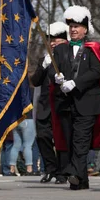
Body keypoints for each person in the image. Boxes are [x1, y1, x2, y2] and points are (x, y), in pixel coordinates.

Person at [50, 5, 100, 190]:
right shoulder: (60, 50)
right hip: (66, 104)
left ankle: (72, 172)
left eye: (77, 26)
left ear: (85, 29)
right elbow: (52, 70)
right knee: (70, 140)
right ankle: (80, 180)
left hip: (87, 103)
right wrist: (56, 78)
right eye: (71, 26)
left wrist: (76, 83)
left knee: (80, 140)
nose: (73, 29)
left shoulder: (94, 49)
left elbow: (97, 72)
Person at [30, 21, 69, 184]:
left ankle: (62, 171)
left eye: (57, 39)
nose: (53, 42)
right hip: (45, 106)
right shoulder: (43, 60)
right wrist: (43, 66)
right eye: (50, 39)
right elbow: (35, 81)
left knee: (61, 140)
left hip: (61, 105)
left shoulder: (68, 57)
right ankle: (50, 169)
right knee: (43, 137)